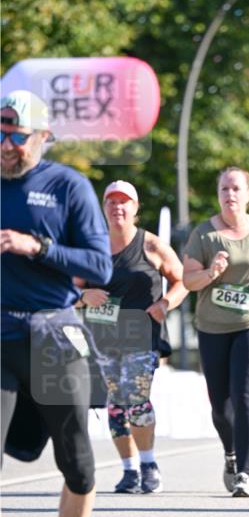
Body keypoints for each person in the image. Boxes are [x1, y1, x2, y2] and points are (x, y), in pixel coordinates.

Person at [1, 90, 112, 517]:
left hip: (52, 338)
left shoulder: (67, 186)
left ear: (43, 137)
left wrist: (36, 247)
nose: (6, 143)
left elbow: (100, 266)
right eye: (0, 133)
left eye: (17, 135)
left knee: (79, 466)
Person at [79, 181, 187, 493]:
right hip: (103, 339)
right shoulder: (92, 247)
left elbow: (182, 281)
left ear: (135, 208)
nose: (118, 208)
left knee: (136, 399)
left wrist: (166, 303)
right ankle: (128, 470)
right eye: (111, 202)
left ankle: (149, 464)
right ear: (104, 208)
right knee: (115, 404)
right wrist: (85, 294)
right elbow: (68, 290)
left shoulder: (150, 245)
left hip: (142, 337)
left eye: (124, 202)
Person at [183, 167, 249, 498]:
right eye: (224, 188)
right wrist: (211, 272)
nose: (230, 194)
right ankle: (231, 454)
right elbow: (188, 282)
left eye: (237, 188)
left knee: (246, 398)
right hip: (213, 327)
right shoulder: (204, 235)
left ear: (248, 194)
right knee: (221, 408)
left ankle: (244, 474)